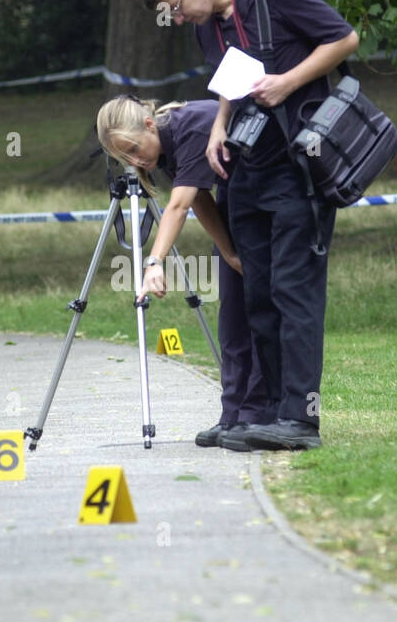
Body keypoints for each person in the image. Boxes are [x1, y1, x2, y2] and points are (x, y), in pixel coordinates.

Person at [139, 0, 359, 450]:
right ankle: (266, 414)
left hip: (298, 168)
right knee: (257, 296)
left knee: (293, 292)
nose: (174, 18)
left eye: (173, 5)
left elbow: (343, 39)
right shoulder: (207, 27)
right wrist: (219, 126)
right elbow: (229, 83)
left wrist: (288, 82)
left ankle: (301, 420)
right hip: (246, 171)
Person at [96, 94, 269, 451]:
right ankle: (231, 415)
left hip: (266, 199)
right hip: (235, 202)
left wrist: (154, 262)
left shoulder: (190, 128)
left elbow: (179, 205)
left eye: (132, 149)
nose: (134, 161)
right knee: (232, 321)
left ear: (148, 124)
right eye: (123, 158)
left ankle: (256, 416)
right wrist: (227, 252)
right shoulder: (165, 146)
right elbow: (201, 198)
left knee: (260, 317)